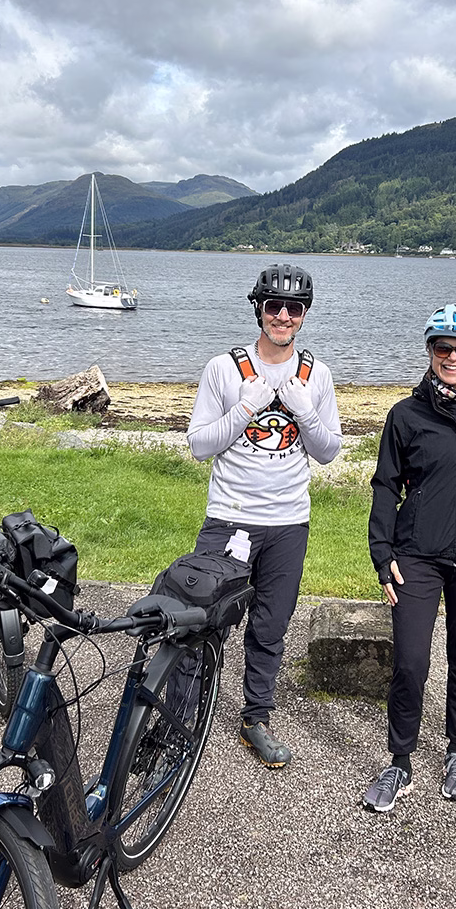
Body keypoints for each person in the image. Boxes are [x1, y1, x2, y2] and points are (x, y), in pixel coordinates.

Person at [186, 263, 341, 768]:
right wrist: (245, 410)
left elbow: (328, 451)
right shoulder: (223, 369)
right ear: (258, 308)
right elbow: (198, 445)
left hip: (288, 523)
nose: (282, 316)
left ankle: (256, 717)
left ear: (303, 316)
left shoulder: (316, 375)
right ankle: (180, 711)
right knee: (202, 617)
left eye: (292, 309)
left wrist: (305, 412)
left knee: (270, 626)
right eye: (273, 306)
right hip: (229, 518)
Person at [362, 304, 456, 813]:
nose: (453, 357)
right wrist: (383, 555)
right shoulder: (406, 414)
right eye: (443, 348)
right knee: (412, 661)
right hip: (417, 555)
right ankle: (399, 760)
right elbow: (384, 487)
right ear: (429, 351)